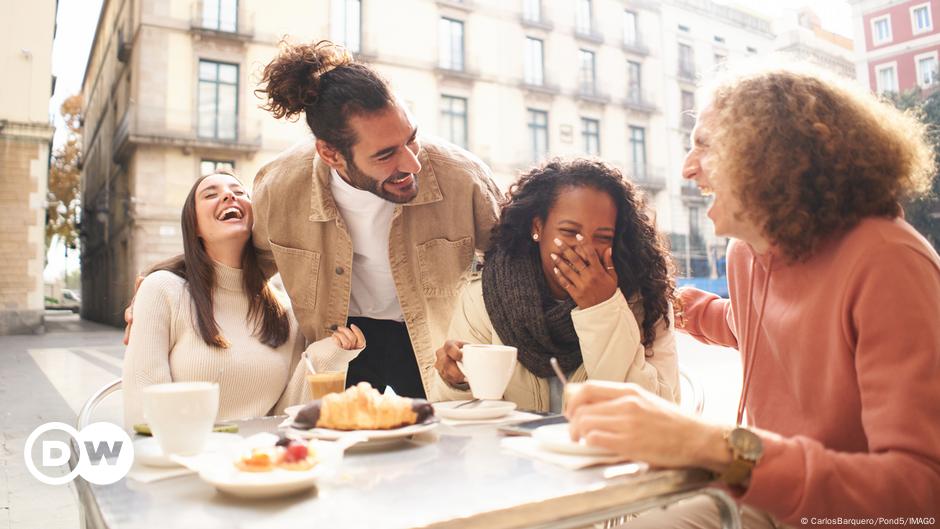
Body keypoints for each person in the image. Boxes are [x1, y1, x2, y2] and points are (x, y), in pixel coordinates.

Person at [565, 65, 940, 527]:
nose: (686, 167)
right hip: (765, 491)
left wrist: (712, 445)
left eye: (703, 144)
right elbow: (752, 325)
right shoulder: (747, 253)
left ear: (771, 154)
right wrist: (663, 297)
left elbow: (918, 492)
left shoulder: (889, 262)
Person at [249, 40, 501, 399]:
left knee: (441, 446)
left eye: (411, 139)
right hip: (340, 343)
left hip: (433, 342)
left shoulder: (463, 176)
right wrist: (166, 285)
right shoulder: (279, 187)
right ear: (330, 153)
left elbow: (511, 259)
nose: (413, 164)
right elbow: (241, 267)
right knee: (340, 447)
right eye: (385, 155)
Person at [431, 159, 679, 411]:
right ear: (538, 227)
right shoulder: (483, 297)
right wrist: (456, 382)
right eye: (570, 232)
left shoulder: (644, 299)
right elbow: (460, 420)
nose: (585, 249)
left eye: (603, 237)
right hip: (514, 448)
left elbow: (661, 411)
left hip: (604, 449)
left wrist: (602, 308)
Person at [122, 171, 364, 428]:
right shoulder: (161, 290)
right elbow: (143, 405)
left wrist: (327, 357)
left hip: (261, 460)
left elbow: (286, 415)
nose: (228, 196)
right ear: (193, 225)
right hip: (187, 457)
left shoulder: (283, 310)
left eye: (239, 193)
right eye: (211, 194)